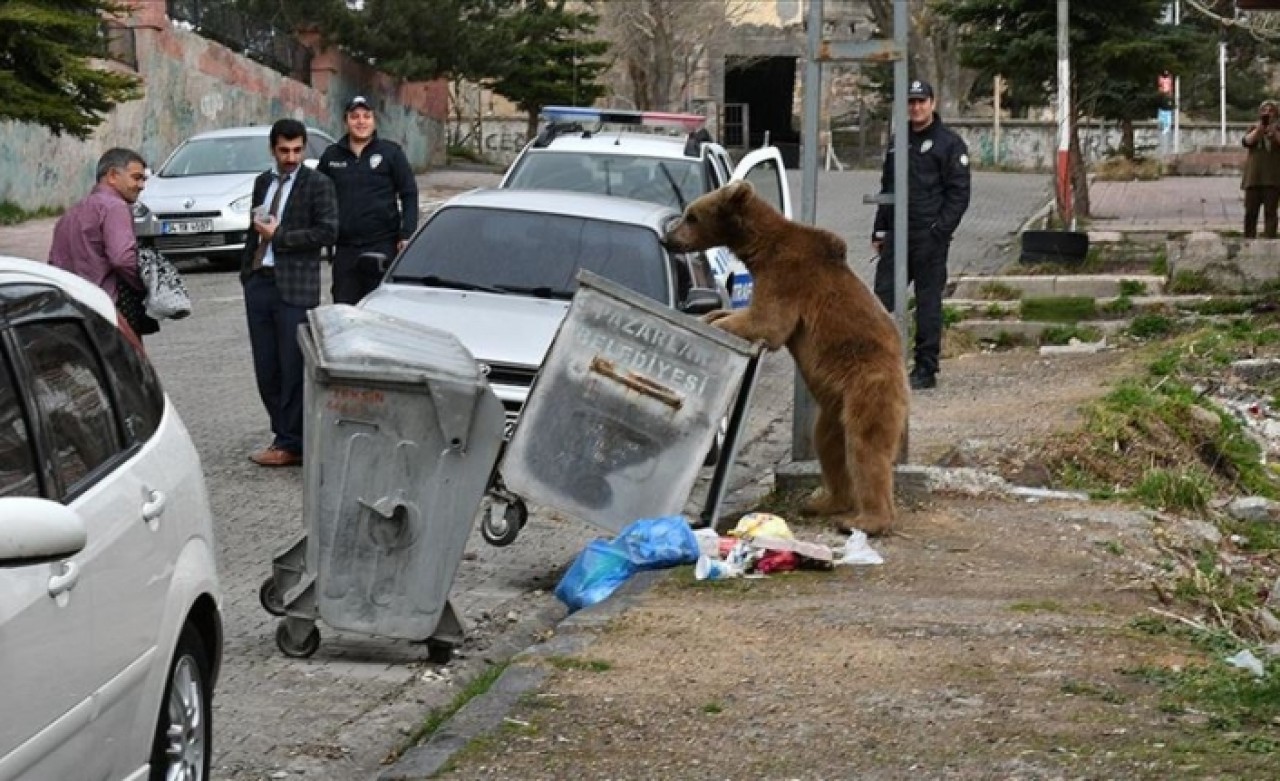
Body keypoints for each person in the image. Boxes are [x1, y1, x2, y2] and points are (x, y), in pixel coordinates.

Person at [241, 118, 338, 467]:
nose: (292, 157)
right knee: (266, 368)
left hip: (296, 288)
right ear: (273, 148)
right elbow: (254, 230)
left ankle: (292, 442)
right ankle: (283, 434)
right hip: (260, 282)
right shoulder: (262, 182)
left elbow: (328, 232)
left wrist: (279, 237)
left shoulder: (318, 184)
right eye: (285, 150)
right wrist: (247, 273)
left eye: (298, 150)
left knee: (292, 367)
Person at [871, 79, 971, 391]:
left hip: (929, 237)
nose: (916, 107)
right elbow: (887, 187)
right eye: (911, 102)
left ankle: (926, 369)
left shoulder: (949, 144)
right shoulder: (898, 141)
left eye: (921, 101)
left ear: (932, 103)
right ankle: (879, 362)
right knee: (881, 299)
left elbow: (959, 194)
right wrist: (880, 228)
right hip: (897, 234)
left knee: (928, 302)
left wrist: (939, 230)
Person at [318, 95, 419, 304]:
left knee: (380, 307)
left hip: (382, 246)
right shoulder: (331, 156)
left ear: (374, 121)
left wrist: (407, 233)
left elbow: (409, 193)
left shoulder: (391, 153)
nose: (361, 121)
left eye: (366, 116)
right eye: (354, 117)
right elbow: (318, 196)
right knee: (345, 309)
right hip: (345, 249)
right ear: (346, 121)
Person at [48, 147, 149, 311]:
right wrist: (145, 284)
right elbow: (122, 259)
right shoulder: (115, 207)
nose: (141, 185)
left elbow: (55, 263)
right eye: (136, 178)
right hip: (106, 307)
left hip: (70, 309)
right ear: (112, 176)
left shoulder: (70, 214)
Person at [1241, 99, 1280, 239]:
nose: (1267, 113)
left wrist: (1274, 133)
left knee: (1271, 212)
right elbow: (1246, 141)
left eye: (1271, 110)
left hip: (1273, 179)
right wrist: (1259, 130)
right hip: (1253, 178)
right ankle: (1248, 239)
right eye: (1264, 110)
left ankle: (1270, 239)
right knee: (1250, 212)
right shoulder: (1254, 128)